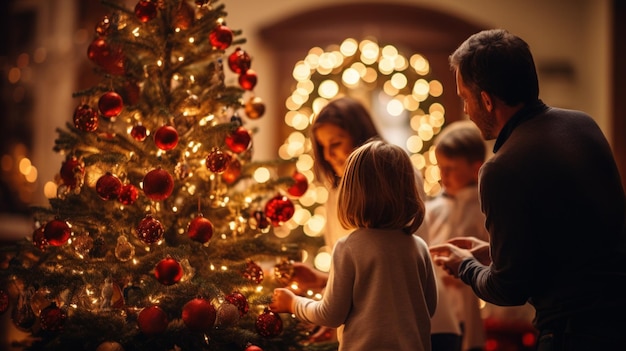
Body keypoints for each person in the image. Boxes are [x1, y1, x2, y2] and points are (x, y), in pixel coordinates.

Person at [429, 28, 626, 351]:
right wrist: (494, 252)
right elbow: (574, 239)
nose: (465, 109)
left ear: (487, 101)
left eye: (465, 98)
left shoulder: (500, 168)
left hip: (571, 333)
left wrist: (465, 265)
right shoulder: (583, 125)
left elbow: (509, 289)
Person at [270, 139, 437, 351]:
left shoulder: (349, 247)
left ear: (352, 194)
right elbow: (428, 308)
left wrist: (293, 303)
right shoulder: (418, 247)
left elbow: (329, 314)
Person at [427, 120, 488, 351]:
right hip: (440, 308)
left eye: (450, 168)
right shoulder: (433, 210)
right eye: (440, 167)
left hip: (473, 307)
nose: (443, 175)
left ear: (475, 168)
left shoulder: (484, 209)